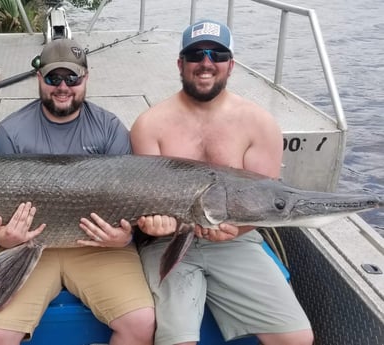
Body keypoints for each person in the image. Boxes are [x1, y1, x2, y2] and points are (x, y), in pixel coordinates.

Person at [131, 20, 314, 345]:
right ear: (180, 64)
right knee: (177, 340)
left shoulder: (259, 124)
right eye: (195, 54)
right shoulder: (150, 124)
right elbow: (143, 204)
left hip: (237, 242)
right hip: (168, 244)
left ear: (231, 64)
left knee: (297, 338)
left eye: (217, 54)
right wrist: (152, 227)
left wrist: (238, 229)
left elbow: (268, 205)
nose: (206, 62)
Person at [0, 38, 156, 345]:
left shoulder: (110, 128)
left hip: (99, 247)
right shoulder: (11, 132)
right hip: (26, 247)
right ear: (39, 79)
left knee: (141, 324)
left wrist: (125, 238)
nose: (63, 87)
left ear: (85, 79)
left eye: (71, 78)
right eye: (53, 78)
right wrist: (1, 238)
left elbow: (131, 198)